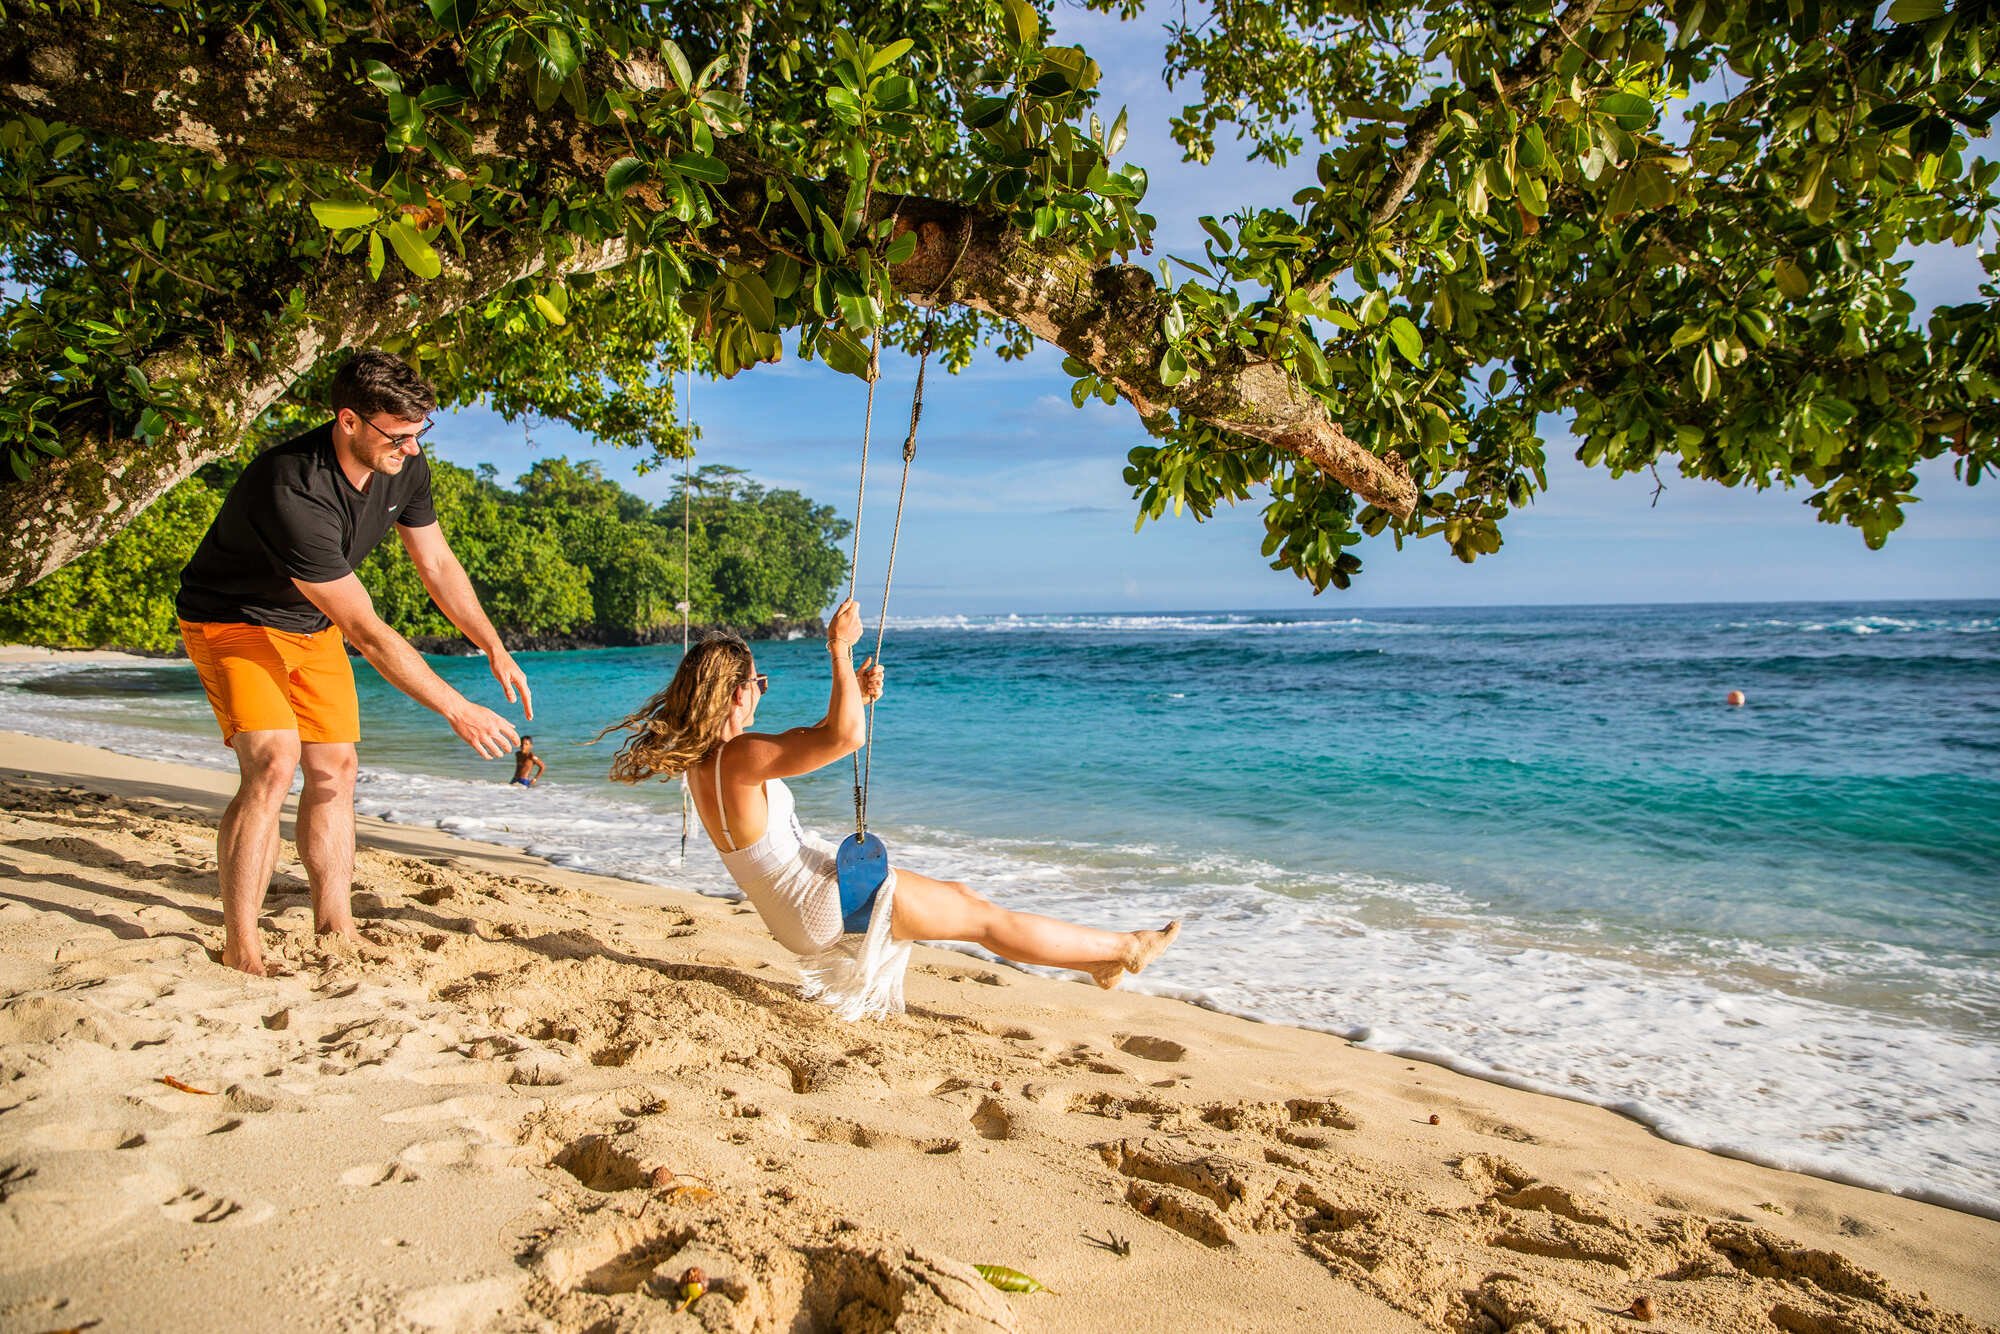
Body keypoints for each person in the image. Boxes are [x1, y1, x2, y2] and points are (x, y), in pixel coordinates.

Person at [601, 599, 1178, 1017]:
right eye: (760, 682)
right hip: (820, 903)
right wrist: (839, 649)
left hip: (796, 913)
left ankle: (1095, 963)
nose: (761, 692)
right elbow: (844, 738)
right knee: (980, 918)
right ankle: (1126, 949)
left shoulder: (708, 763)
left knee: (963, 898)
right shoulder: (742, 756)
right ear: (736, 692)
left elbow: (826, 729)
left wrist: (852, 685)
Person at [175, 350, 531, 976]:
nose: (413, 449)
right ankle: (243, 943)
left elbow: (438, 565)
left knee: (335, 767)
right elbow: (365, 629)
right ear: (347, 420)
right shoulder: (290, 487)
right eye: (398, 435)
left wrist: (493, 646)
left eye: (421, 432)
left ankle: (334, 925)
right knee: (272, 761)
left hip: (311, 626)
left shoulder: (403, 464)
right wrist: (456, 707)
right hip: (232, 618)